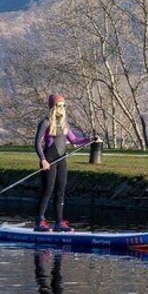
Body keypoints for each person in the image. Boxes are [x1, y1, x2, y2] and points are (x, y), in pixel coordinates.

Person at [34, 94, 98, 232]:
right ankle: (40, 221)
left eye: (64, 105)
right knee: (47, 191)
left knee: (61, 191)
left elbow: (75, 141)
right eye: (60, 105)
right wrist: (43, 160)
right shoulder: (45, 122)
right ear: (53, 107)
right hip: (49, 161)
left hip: (61, 160)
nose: (63, 108)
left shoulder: (64, 124)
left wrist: (90, 140)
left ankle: (58, 222)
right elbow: (37, 143)